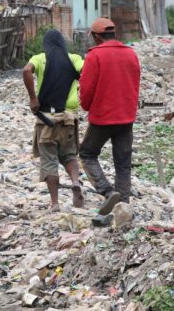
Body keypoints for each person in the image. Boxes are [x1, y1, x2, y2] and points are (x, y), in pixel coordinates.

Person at [78, 18, 140, 215]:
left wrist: (86, 106)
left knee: (87, 154)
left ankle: (107, 192)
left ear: (97, 37)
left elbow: (86, 89)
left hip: (102, 117)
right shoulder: (131, 54)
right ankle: (123, 206)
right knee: (123, 163)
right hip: (126, 117)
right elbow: (135, 84)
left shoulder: (94, 56)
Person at [23, 29, 85, 212]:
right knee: (69, 155)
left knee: (49, 160)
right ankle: (75, 182)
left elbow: (26, 70)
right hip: (68, 118)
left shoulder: (40, 58)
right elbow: (87, 70)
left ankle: (55, 203)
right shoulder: (73, 58)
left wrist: (33, 98)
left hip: (46, 119)